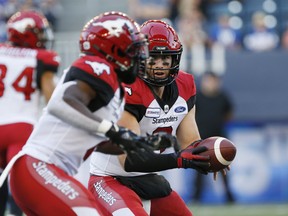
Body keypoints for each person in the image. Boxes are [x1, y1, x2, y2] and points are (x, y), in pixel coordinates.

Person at [0, 11, 153, 216]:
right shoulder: (98, 67)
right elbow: (60, 104)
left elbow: (96, 138)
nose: (140, 56)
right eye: (133, 49)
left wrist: (136, 142)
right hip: (40, 165)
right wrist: (112, 130)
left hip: (42, 172)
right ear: (113, 49)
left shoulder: (115, 88)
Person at [88, 20, 218, 216]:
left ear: (175, 60)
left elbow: (190, 143)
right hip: (110, 178)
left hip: (146, 178)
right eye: (153, 59)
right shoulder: (128, 90)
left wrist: (210, 156)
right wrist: (179, 161)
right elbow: (130, 160)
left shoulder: (185, 85)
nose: (160, 66)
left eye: (166, 60)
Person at [0, 10, 60, 216]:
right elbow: (53, 101)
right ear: (28, 33)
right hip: (22, 128)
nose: (43, 39)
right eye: (40, 34)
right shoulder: (42, 57)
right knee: (20, 190)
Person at [193, 72, 234, 203]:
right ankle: (197, 196)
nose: (211, 83)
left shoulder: (222, 96)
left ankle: (229, 196)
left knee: (223, 169)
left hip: (219, 140)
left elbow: (229, 113)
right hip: (202, 139)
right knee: (199, 169)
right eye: (208, 81)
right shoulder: (197, 97)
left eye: (213, 81)